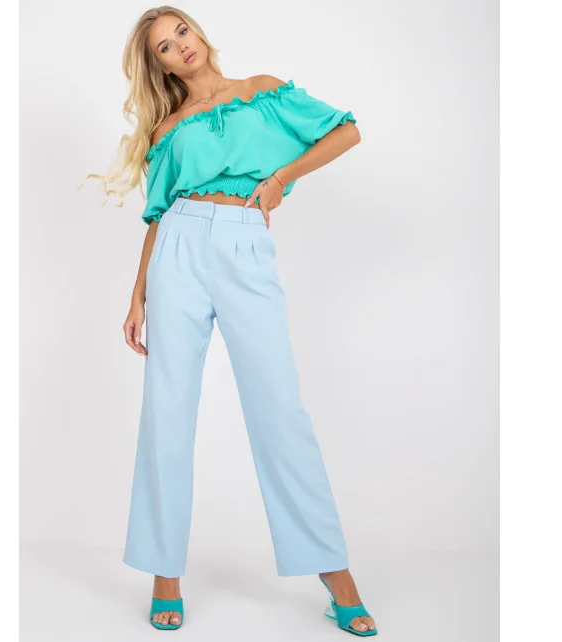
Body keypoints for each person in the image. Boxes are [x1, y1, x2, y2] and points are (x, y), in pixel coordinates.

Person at [81, 6, 377, 636]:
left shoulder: (262, 91)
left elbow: (346, 131)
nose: (179, 47)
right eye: (164, 47)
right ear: (160, 67)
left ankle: (336, 574)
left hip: (245, 241)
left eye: (181, 32)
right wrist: (138, 296)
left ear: (199, 34)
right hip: (178, 249)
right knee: (167, 413)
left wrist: (281, 179)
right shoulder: (167, 129)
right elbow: (158, 213)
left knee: (280, 410)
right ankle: (165, 574)